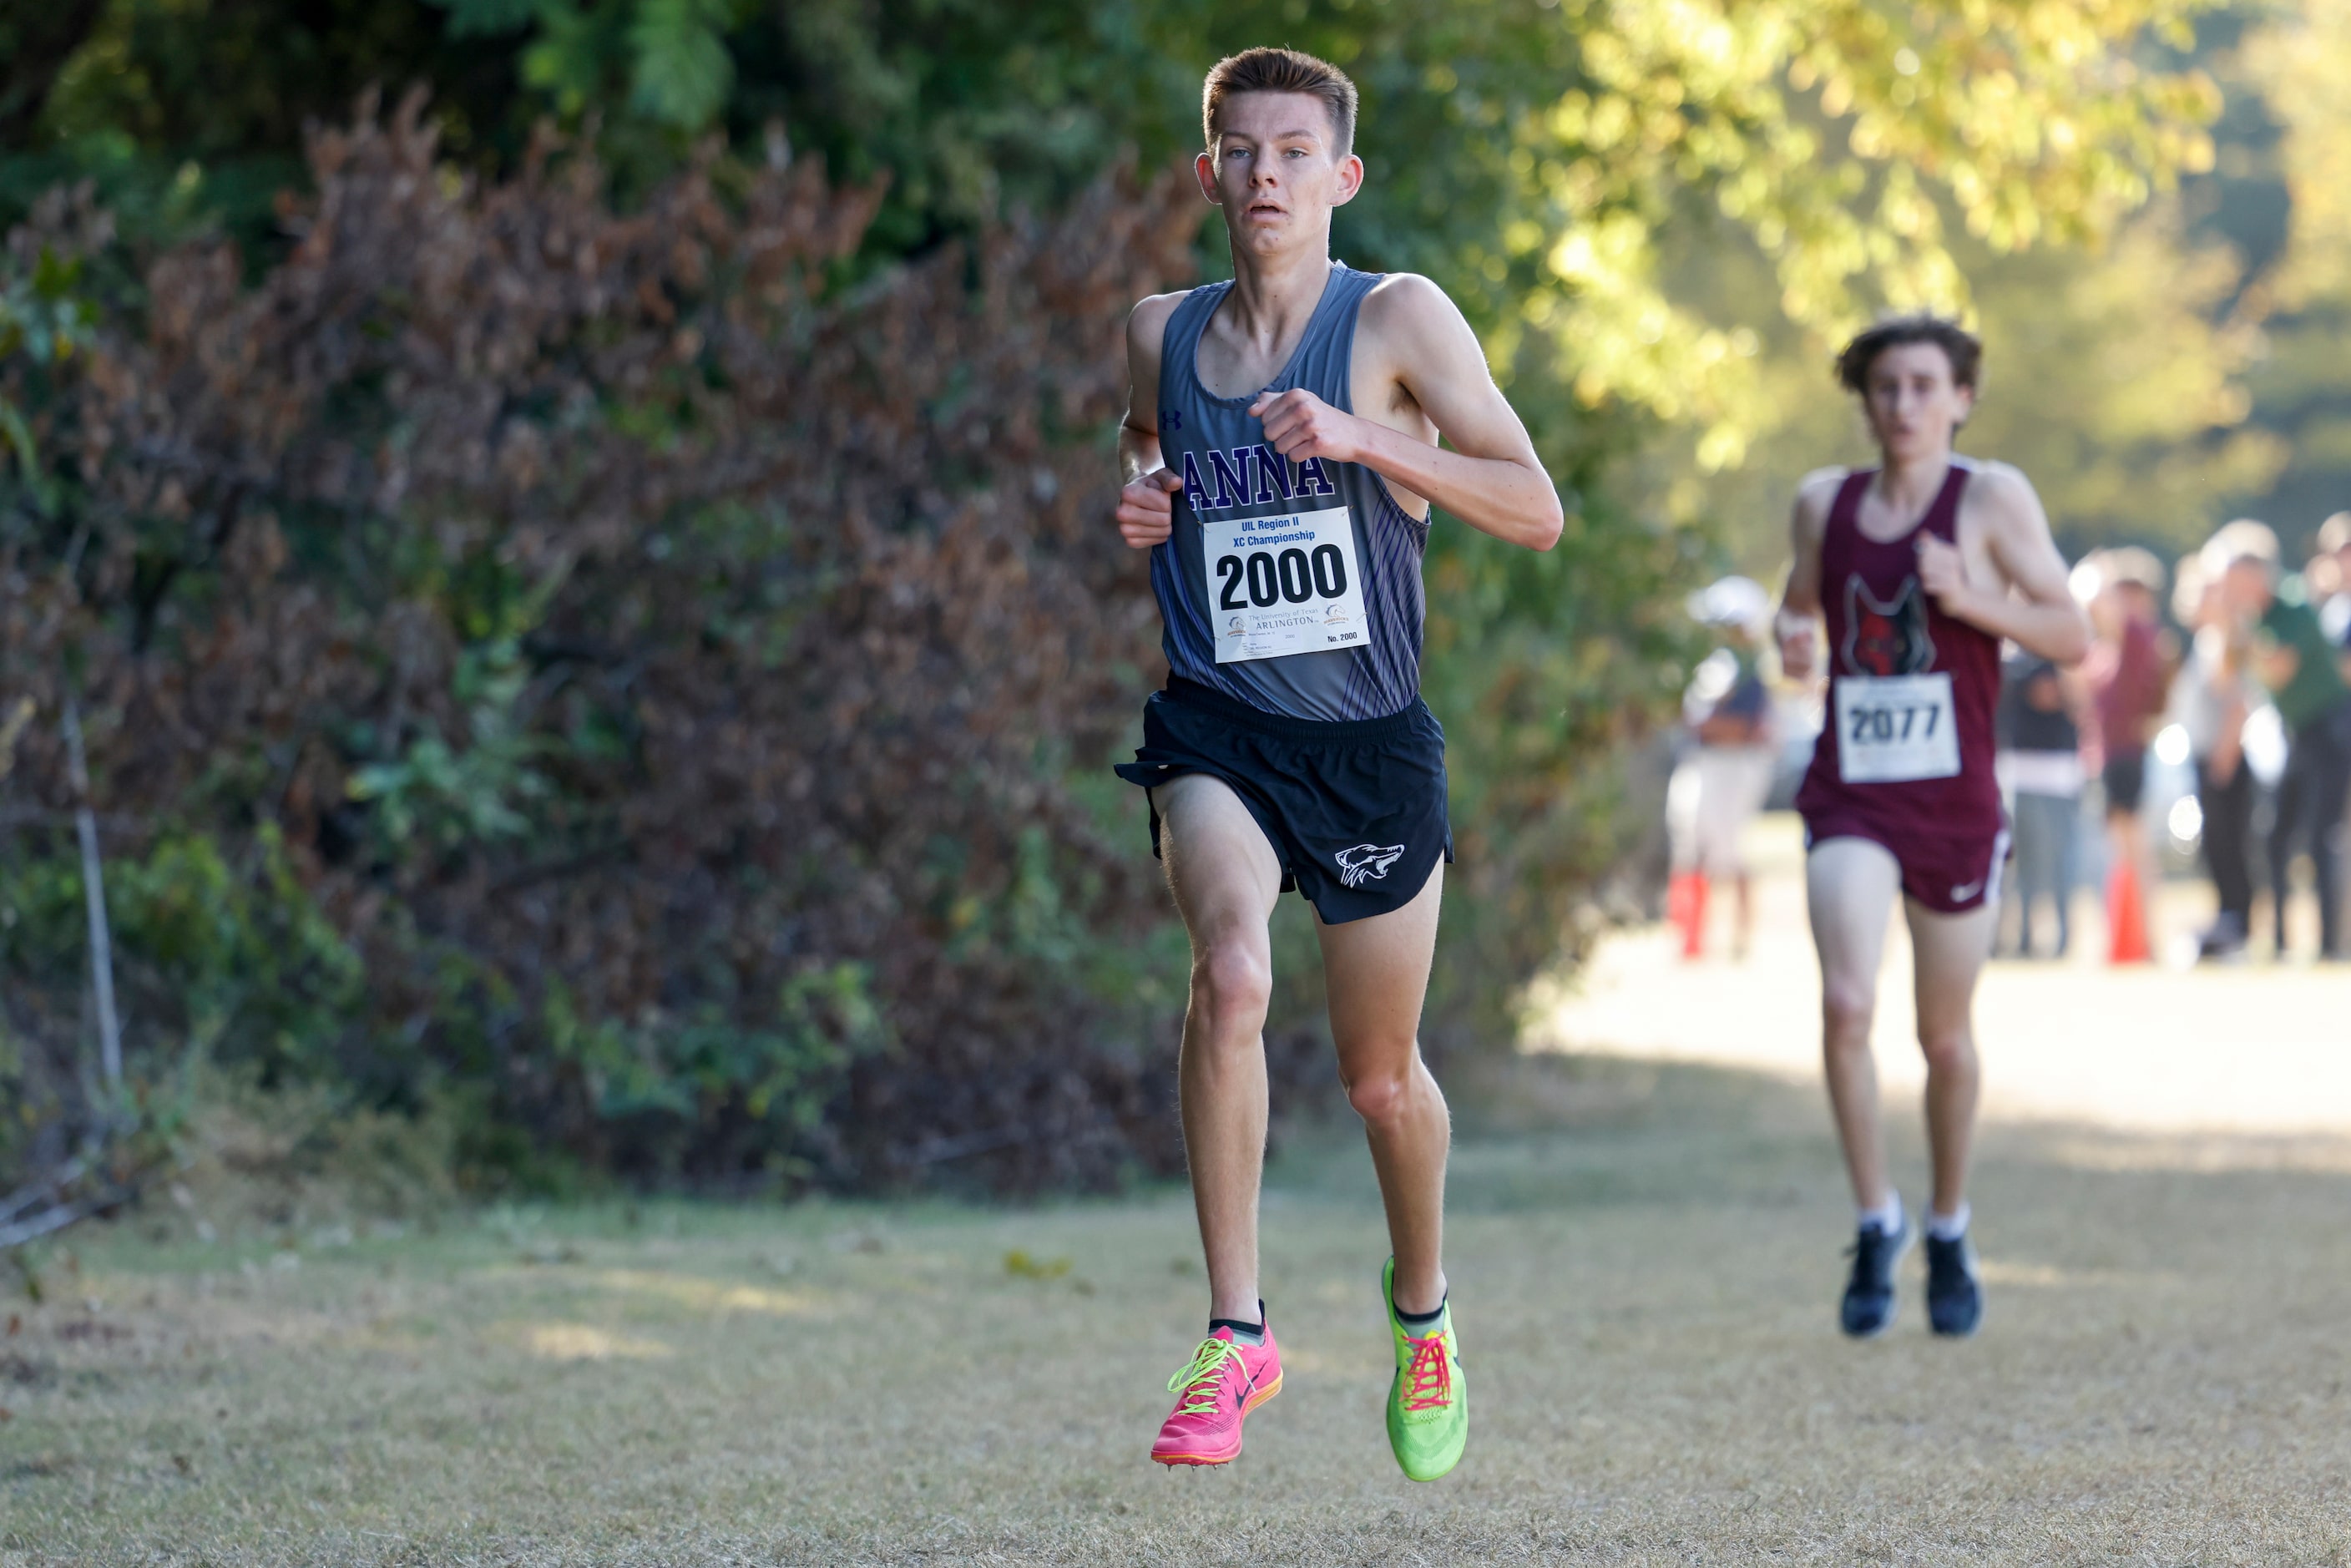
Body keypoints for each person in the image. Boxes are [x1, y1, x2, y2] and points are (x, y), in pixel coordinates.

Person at [1110, 47, 1563, 1477]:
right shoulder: (1157, 333)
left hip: (1366, 746)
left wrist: (1371, 440)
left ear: (1341, 176)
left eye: (1295, 152)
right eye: (1241, 152)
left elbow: (1535, 506)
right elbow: (1140, 446)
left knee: (1380, 1083)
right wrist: (1136, 496)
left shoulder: (1398, 317)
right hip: (1217, 728)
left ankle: (1420, 1314)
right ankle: (1237, 1331)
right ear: (1208, 173)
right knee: (1232, 971)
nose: (1265, 177)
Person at [1776, 314, 2089, 1340]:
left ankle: (1947, 1225)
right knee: (1843, 1004)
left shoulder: (1990, 500)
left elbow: (2072, 634)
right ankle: (1877, 1219)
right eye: (1883, 388)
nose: (1901, 405)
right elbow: (1797, 608)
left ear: (1958, 397)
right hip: (1850, 794)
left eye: (1922, 386)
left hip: (1955, 805)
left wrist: (1978, 600)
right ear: (1862, 402)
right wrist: (1789, 635)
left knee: (1943, 1039)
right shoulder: (1823, 504)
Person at [2212, 519, 2351, 959]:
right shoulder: (2258, 618)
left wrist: (2242, 627)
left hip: (2330, 730)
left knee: (2321, 839)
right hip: (2297, 733)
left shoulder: (2293, 605)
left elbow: (2278, 669)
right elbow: (2225, 678)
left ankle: (2330, 945)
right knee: (2271, 836)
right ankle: (2279, 941)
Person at [1666, 576, 1778, 960]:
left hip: (1733, 771)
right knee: (1689, 845)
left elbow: (1744, 729)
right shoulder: (1712, 668)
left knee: (1728, 854)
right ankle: (1689, 938)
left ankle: (1740, 938)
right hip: (1704, 764)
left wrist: (1709, 727)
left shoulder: (1751, 675)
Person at [2077, 548, 2170, 963]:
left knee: (2133, 849)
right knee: (2122, 850)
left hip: (2126, 755)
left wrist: (2101, 574)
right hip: (2113, 755)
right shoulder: (2116, 644)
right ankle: (2128, 938)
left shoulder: (2137, 634)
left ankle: (2145, 939)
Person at [2166, 549, 2258, 959]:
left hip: (2224, 759)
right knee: (2215, 847)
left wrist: (2225, 755)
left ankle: (2238, 927)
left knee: (2230, 846)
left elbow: (2237, 701)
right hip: (2206, 757)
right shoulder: (2208, 640)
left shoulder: (2226, 639)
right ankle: (2227, 921)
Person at [1993, 652, 2081, 959]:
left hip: (2057, 775)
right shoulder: (2014, 659)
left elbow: (2060, 694)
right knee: (2020, 865)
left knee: (2059, 863)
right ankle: (2023, 938)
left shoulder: (2063, 651)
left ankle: (2061, 938)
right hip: (2021, 772)